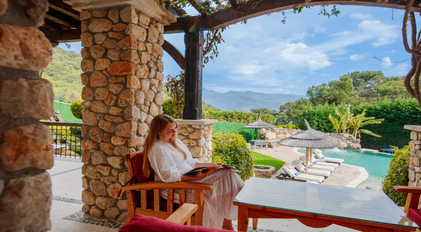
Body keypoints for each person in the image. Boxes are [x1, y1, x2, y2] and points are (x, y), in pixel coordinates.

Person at [142, 114, 244, 230]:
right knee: (226, 174)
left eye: (175, 128)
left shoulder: (176, 142)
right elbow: (168, 175)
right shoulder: (157, 149)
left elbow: (190, 162)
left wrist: (210, 165)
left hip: (191, 177)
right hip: (178, 187)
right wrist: (193, 178)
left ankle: (228, 223)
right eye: (170, 130)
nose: (174, 132)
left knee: (226, 172)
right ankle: (231, 221)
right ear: (158, 131)